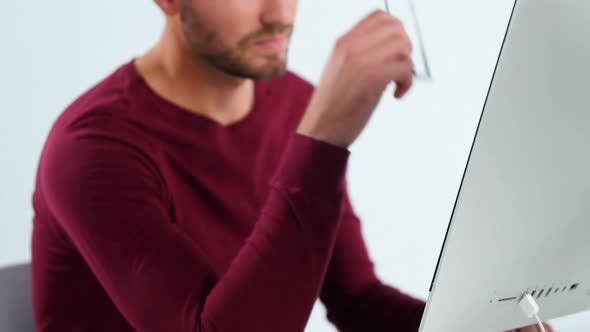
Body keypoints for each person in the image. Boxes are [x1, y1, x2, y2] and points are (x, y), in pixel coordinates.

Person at [30, 0, 553, 331]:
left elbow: (355, 298)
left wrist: (473, 328)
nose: (279, 13)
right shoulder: (92, 148)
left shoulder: (294, 103)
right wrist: (322, 139)